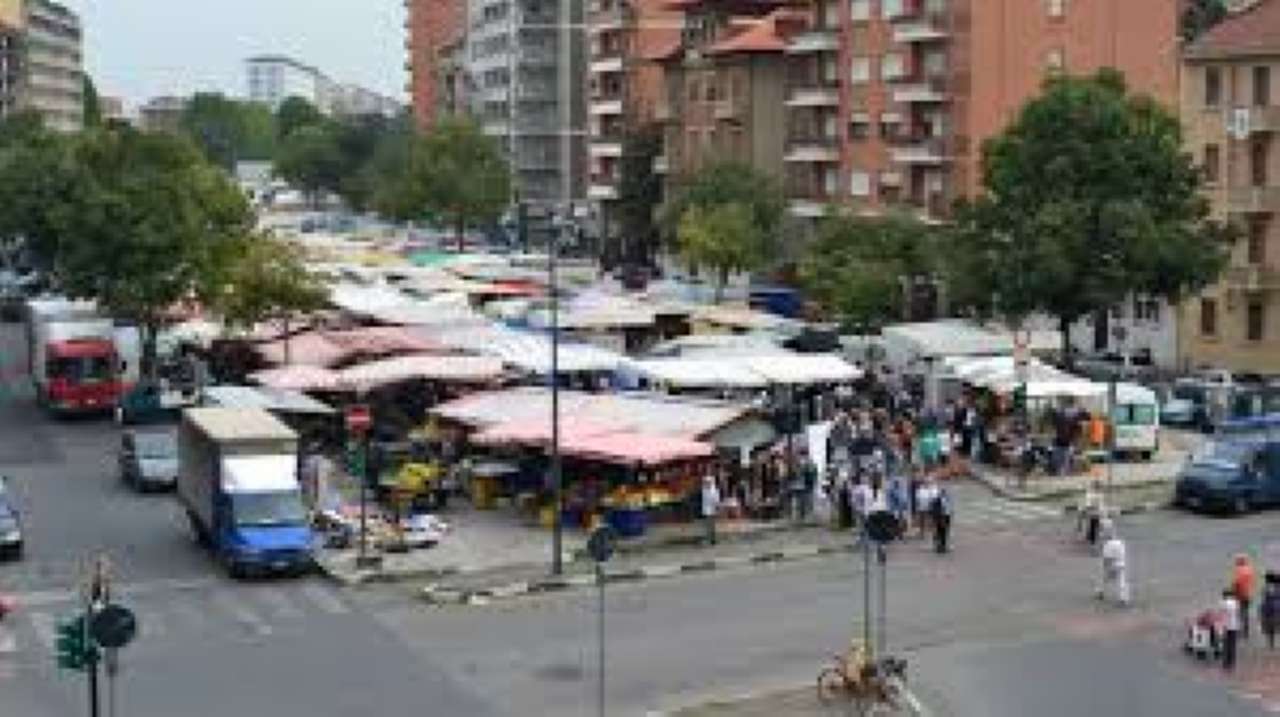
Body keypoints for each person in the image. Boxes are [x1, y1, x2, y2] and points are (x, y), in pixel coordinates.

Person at [1097, 520, 1130, 606]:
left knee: (1104, 579)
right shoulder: (1120, 543)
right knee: (1122, 581)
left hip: (1112, 565)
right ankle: (1123, 598)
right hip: (1121, 564)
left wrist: (1106, 567)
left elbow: (1107, 560)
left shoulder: (1107, 545)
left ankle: (1101, 592)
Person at [1233, 554, 1257, 640]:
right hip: (1248, 594)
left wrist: (1234, 593)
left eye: (1237, 560)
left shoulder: (1239, 570)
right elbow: (1252, 583)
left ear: (1240, 561)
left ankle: (1240, 631)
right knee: (1245, 613)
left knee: (1239, 613)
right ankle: (1246, 631)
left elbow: (1237, 583)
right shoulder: (1250, 570)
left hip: (1240, 594)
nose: (1235, 562)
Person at [1220, 588, 1241, 671]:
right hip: (1234, 626)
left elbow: (1221, 615)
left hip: (1225, 626)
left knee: (1226, 645)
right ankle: (1232, 662)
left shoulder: (1222, 603)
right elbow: (1238, 613)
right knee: (1232, 645)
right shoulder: (1236, 603)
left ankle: (1225, 662)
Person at [1260, 572, 1280, 650]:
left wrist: (1262, 611)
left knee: (1270, 627)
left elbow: (1264, 598)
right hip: (1276, 608)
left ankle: (1271, 644)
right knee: (1274, 626)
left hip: (1270, 609)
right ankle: (1272, 644)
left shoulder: (1267, 588)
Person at [931, 485, 953, 554]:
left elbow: (949, 509)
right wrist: (938, 518)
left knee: (945, 532)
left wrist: (950, 515)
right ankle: (939, 546)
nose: (944, 493)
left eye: (944, 492)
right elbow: (936, 511)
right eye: (943, 492)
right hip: (940, 518)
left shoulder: (947, 499)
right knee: (940, 532)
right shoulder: (937, 500)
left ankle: (943, 546)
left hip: (946, 517)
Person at [701, 474, 721, 546]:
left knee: (711, 526)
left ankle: (711, 539)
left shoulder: (714, 491)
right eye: (706, 482)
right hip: (706, 510)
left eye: (708, 482)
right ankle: (710, 539)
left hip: (712, 510)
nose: (706, 483)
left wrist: (717, 508)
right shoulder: (705, 490)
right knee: (708, 526)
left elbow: (716, 501)